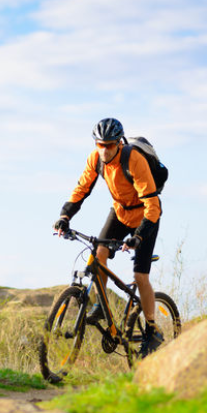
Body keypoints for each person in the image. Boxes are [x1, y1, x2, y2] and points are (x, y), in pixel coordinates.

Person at [53, 117, 164, 357]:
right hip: (120, 212)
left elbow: (152, 204)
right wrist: (65, 216)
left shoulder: (134, 159)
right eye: (100, 144)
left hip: (146, 215)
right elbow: (82, 189)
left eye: (109, 145)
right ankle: (101, 307)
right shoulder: (96, 159)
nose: (104, 150)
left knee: (140, 275)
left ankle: (153, 330)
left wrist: (139, 237)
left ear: (118, 143)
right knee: (98, 253)